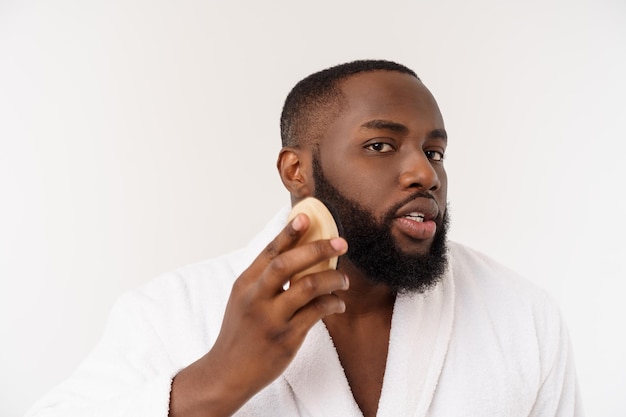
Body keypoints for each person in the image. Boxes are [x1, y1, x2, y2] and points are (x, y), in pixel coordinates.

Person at [25, 60, 583, 417]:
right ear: (296, 170)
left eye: (434, 151)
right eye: (381, 146)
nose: (425, 174)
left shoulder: (521, 317)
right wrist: (213, 383)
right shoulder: (171, 312)